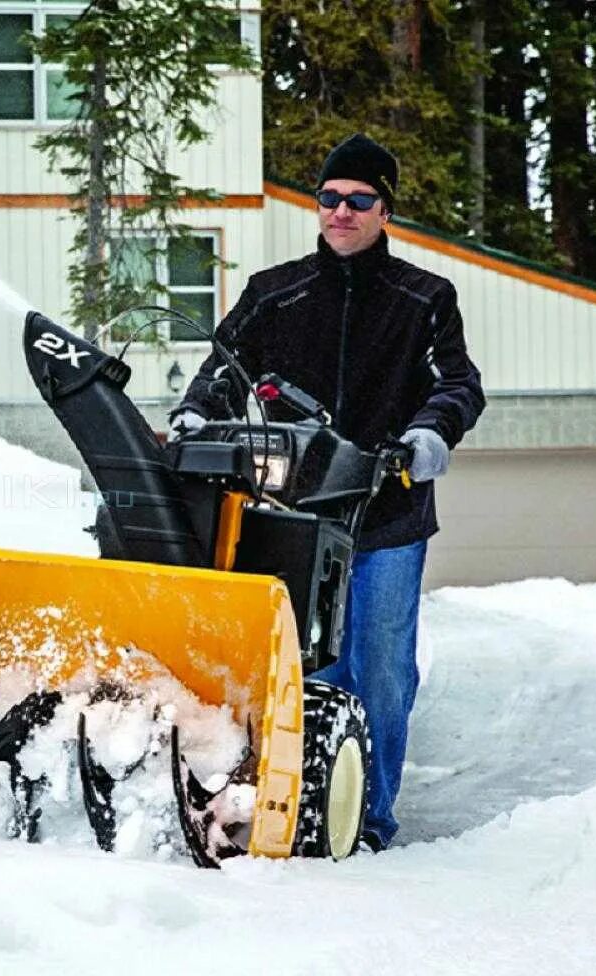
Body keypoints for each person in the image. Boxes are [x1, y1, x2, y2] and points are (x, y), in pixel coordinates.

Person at [169, 133, 485, 851]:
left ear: (384, 210)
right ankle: (291, 808)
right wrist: (196, 413)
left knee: (378, 669)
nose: (341, 211)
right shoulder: (275, 293)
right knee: (302, 669)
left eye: (359, 199)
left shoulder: (424, 299)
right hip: (289, 519)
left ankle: (367, 819)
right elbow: (225, 368)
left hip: (385, 517)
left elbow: (457, 384)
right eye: (330, 198)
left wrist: (426, 436)